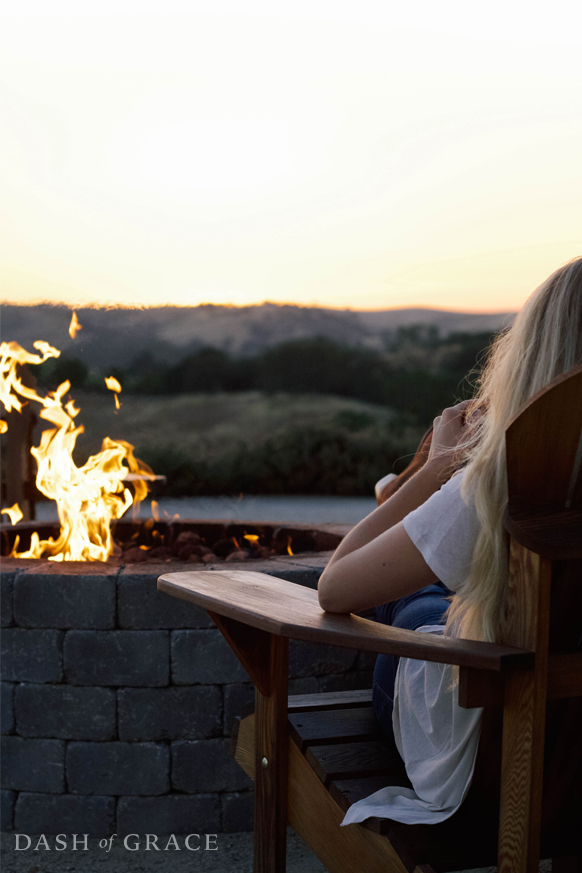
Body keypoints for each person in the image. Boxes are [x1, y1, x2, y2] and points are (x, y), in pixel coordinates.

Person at [317, 255, 582, 826]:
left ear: (534, 358)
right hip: (572, 752)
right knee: (444, 584)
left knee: (413, 603)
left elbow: (335, 588)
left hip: (485, 754)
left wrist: (439, 468)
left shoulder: (500, 485)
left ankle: (404, 504)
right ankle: (413, 523)